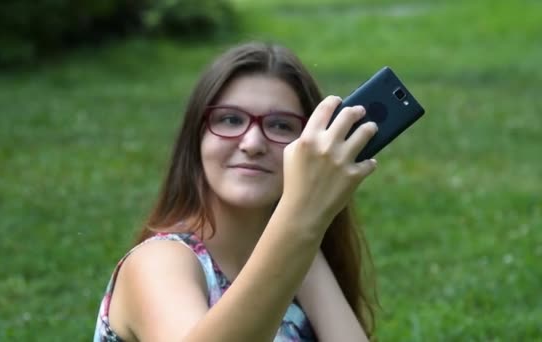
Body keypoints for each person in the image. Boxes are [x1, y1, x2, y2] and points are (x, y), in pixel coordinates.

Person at [93, 41, 379, 341]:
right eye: (230, 120)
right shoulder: (159, 262)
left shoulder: (303, 254)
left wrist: (308, 228)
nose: (252, 144)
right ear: (196, 138)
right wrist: (302, 218)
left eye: (281, 125)